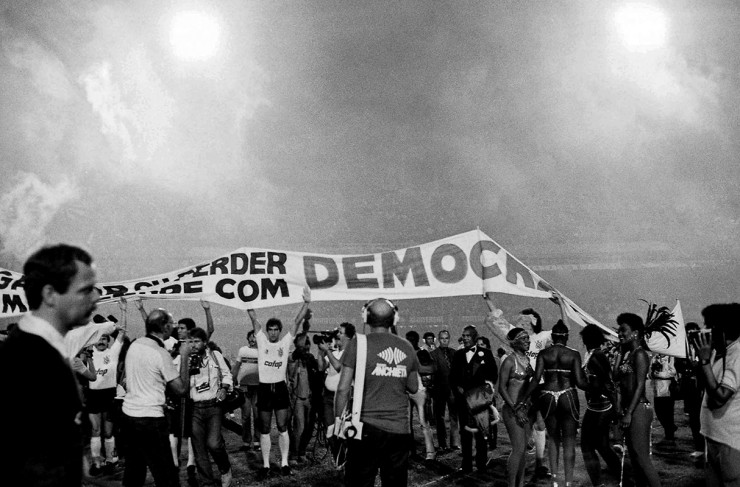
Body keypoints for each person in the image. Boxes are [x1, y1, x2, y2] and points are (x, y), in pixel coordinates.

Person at [0, 244, 100, 486]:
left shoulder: (42, 348)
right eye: (86, 290)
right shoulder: (30, 360)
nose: (96, 298)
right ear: (50, 295)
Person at [334, 297, 419, 487]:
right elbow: (413, 387)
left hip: (365, 428)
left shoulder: (358, 343)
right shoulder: (406, 346)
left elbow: (342, 389)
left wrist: (338, 424)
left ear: (366, 317)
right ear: (394, 319)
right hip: (399, 430)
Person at [122, 308, 193, 487]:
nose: (174, 327)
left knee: (134, 472)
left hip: (129, 416)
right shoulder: (159, 353)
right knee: (166, 475)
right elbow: (181, 389)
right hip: (150, 419)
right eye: (171, 324)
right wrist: (184, 357)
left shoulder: (135, 345)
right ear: (165, 327)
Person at [484, 292, 552, 478]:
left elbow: (563, 332)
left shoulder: (543, 336)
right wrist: (488, 299)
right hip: (517, 393)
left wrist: (562, 305)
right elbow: (499, 320)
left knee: (539, 424)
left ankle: (539, 463)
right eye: (520, 322)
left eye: (526, 322)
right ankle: (519, 471)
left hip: (538, 387)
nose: (522, 324)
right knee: (522, 437)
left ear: (535, 322)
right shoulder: (515, 337)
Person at [246, 287, 311, 479]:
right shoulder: (262, 342)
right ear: (266, 331)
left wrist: (306, 303)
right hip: (265, 388)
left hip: (280, 388)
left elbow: (297, 321)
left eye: (276, 330)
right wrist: (245, 298)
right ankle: (266, 465)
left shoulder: (285, 343)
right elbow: (252, 315)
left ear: (280, 331)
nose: (273, 333)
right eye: (270, 330)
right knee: (264, 428)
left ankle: (283, 463)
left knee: (283, 427)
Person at [522, 317, 587, 487]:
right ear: (565, 337)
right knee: (569, 440)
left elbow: (536, 380)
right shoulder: (573, 354)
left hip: (547, 395)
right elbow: (580, 383)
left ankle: (555, 481)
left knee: (553, 439)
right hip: (568, 395)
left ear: (553, 337)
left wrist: (523, 399)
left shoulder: (544, 353)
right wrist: (598, 387)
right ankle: (568, 482)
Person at [175, 327, 233, 487]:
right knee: (199, 449)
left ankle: (225, 468)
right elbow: (171, 375)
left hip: (214, 406)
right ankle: (207, 482)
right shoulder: (183, 359)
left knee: (214, 443)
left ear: (204, 342)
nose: (193, 345)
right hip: (195, 408)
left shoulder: (215, 356)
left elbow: (227, 374)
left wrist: (223, 389)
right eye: (190, 341)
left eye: (196, 341)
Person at [691, 303, 740, 487]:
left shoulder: (737, 355)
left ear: (722, 329)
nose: (704, 331)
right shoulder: (720, 354)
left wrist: (704, 361)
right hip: (714, 437)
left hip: (730, 442)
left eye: (708, 326)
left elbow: (720, 397)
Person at [613, 313, 661, 487]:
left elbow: (640, 385)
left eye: (623, 330)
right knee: (634, 457)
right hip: (631, 409)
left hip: (639, 408)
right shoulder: (628, 354)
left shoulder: (640, 354)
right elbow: (615, 375)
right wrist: (619, 352)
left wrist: (629, 413)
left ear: (635, 332)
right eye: (618, 331)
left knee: (641, 457)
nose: (619, 334)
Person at [450, 325, 498, 473]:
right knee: (465, 433)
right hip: (463, 400)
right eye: (463, 336)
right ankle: (466, 464)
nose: (464, 338)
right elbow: (452, 376)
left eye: (468, 336)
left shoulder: (486, 354)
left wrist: (484, 393)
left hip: (480, 401)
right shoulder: (458, 355)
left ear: (475, 337)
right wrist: (457, 388)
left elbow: (493, 375)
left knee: (481, 432)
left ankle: (481, 463)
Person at [88, 299, 128, 475]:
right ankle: (97, 463)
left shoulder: (113, 352)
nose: (101, 341)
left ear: (108, 341)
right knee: (95, 430)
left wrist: (124, 311)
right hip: (93, 395)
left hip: (109, 395)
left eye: (104, 338)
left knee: (108, 431)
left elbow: (122, 333)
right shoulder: (90, 351)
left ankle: (111, 461)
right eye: (99, 338)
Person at [579, 324, 621, 487]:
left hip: (601, 406)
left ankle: (599, 483)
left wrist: (582, 384)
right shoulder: (593, 354)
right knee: (602, 445)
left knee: (587, 446)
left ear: (586, 339)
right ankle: (621, 478)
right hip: (600, 405)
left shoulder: (596, 356)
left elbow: (606, 384)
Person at [498, 328, 534, 487]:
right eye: (524, 338)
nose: (528, 341)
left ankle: (520, 484)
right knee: (518, 448)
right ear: (515, 341)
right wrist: (515, 409)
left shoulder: (526, 359)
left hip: (526, 410)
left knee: (523, 451)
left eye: (528, 338)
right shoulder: (509, 361)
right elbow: (501, 388)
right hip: (512, 411)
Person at [317, 322, 355, 453]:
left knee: (343, 431)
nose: (337, 334)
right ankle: (338, 460)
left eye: (340, 332)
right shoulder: (335, 353)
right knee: (330, 430)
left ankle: (345, 460)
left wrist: (327, 351)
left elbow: (339, 367)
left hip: (343, 397)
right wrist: (320, 352)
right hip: (328, 396)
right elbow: (321, 367)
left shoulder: (351, 352)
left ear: (348, 337)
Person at [287, 332, 321, 463]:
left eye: (307, 343)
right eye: (302, 344)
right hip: (298, 398)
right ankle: (294, 455)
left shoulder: (311, 359)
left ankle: (302, 452)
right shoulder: (293, 358)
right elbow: (292, 359)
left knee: (309, 427)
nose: (305, 346)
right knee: (299, 427)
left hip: (310, 399)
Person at [677, 321, 704, 459]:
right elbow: (678, 365)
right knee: (694, 418)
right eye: (688, 333)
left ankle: (706, 445)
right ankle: (698, 446)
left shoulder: (705, 346)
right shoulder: (683, 350)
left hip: (703, 387)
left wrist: (698, 366)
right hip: (689, 387)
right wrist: (688, 368)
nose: (691, 335)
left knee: (704, 417)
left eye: (694, 332)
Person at [430, 329, 460, 452]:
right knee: (439, 417)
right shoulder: (433, 354)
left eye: (446, 338)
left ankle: (454, 442)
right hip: (439, 389)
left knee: (454, 417)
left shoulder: (454, 353)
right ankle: (442, 443)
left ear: (449, 339)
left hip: (452, 389)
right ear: (439, 339)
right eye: (442, 338)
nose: (444, 340)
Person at [232, 329, 260, 451]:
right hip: (244, 387)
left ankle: (258, 441)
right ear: (248, 338)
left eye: (255, 337)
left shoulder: (262, 352)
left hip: (259, 387)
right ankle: (246, 442)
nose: (253, 339)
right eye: (251, 337)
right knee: (246, 415)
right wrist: (233, 380)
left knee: (258, 415)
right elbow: (237, 366)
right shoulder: (243, 350)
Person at [650, 353, 677, 444]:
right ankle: (671, 427)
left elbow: (673, 372)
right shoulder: (655, 357)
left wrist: (659, 374)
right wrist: (652, 373)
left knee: (668, 414)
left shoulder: (670, 357)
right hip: (657, 389)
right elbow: (650, 373)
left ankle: (669, 435)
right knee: (659, 412)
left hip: (667, 389)